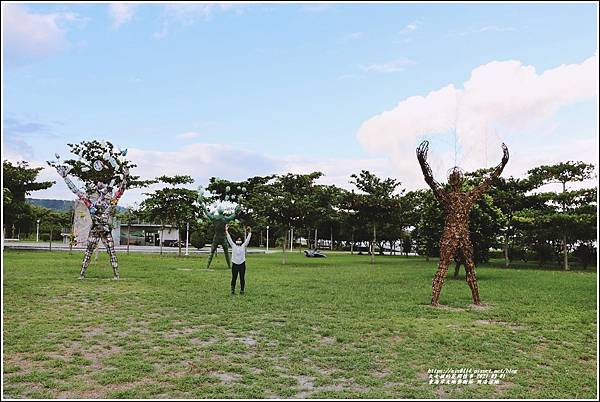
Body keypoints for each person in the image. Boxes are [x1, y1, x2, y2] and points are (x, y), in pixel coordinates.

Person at [416, 140, 509, 306]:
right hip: (461, 235)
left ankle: (437, 301)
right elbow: (488, 181)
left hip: (453, 235)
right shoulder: (467, 197)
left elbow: (430, 180)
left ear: (450, 181)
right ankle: (475, 301)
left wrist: (423, 163)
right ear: (461, 180)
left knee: (445, 267)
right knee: (466, 267)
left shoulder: (448, 197)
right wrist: (502, 164)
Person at [225, 224, 251, 295]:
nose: (239, 241)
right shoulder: (233, 246)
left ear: (241, 241)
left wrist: (249, 232)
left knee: (242, 278)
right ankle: (232, 290)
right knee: (234, 278)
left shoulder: (243, 246)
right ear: (235, 240)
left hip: (242, 264)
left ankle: (242, 290)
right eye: (237, 240)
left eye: (240, 240)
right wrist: (226, 230)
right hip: (235, 264)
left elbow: (248, 240)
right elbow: (229, 238)